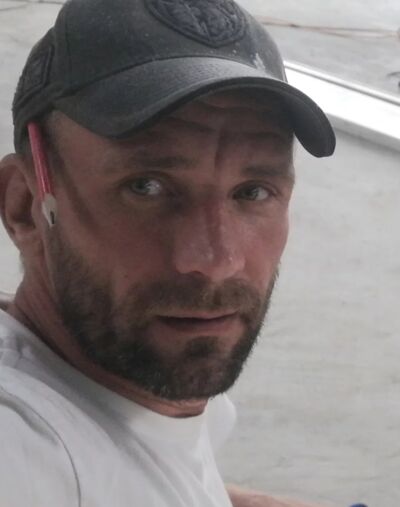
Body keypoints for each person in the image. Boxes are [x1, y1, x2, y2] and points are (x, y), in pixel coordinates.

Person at [0, 0, 336, 505]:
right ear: (25, 206)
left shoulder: (137, 389)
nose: (216, 261)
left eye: (252, 192)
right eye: (148, 187)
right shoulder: (22, 446)